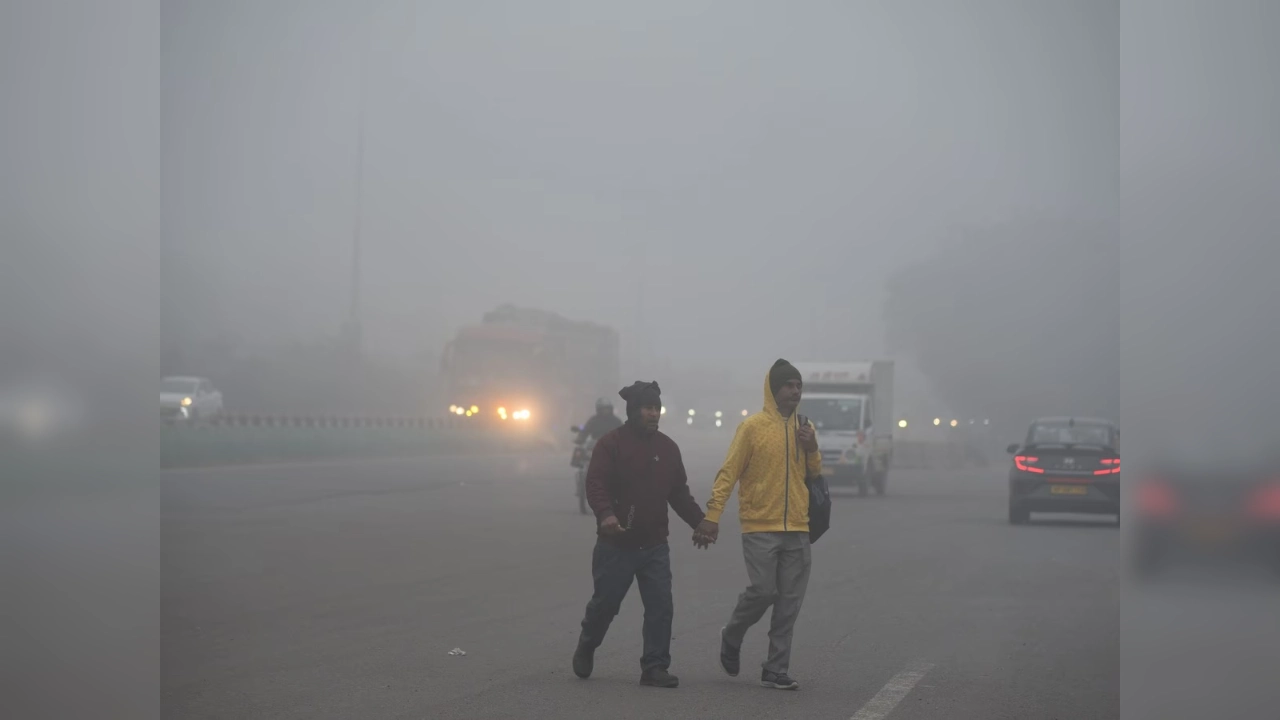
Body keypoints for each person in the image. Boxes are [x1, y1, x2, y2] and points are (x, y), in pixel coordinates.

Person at [694, 359, 821, 691]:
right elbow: (729, 472)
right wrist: (712, 515)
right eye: (789, 385)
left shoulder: (806, 426)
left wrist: (812, 447)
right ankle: (733, 633)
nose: (795, 391)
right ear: (773, 389)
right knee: (764, 592)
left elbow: (814, 474)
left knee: (789, 602)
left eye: (799, 385)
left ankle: (775, 668)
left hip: (797, 525)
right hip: (759, 526)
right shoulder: (751, 428)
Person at [573, 381, 709, 688]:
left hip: (654, 545)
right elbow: (595, 485)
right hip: (616, 544)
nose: (653, 414)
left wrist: (701, 522)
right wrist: (606, 515)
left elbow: (678, 493)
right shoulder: (611, 444)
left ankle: (655, 666)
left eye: (656, 408)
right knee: (605, 605)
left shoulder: (668, 448)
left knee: (661, 606)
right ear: (633, 411)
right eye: (648, 408)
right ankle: (587, 643)